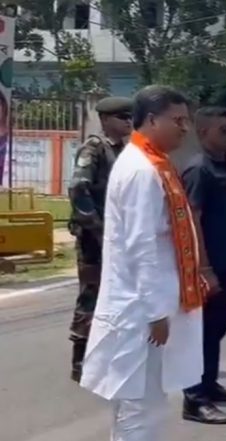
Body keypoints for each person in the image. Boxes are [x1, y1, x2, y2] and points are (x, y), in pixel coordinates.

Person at [79, 85, 204, 441]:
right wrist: (155, 313)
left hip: (145, 307)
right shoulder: (141, 170)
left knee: (139, 404)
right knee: (140, 406)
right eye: (177, 120)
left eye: (187, 121)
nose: (184, 128)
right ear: (151, 119)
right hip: (139, 313)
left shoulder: (152, 163)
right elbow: (141, 245)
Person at [181, 107, 226, 425]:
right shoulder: (199, 170)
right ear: (203, 132)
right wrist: (204, 269)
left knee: (218, 328)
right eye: (224, 130)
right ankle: (194, 400)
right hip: (209, 267)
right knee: (202, 332)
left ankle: (209, 384)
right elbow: (192, 221)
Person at [67, 96, 133, 382]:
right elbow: (78, 189)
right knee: (91, 294)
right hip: (95, 237)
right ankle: (80, 360)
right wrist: (96, 226)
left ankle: (104, 353)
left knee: (114, 296)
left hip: (116, 236)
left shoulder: (124, 151)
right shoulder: (94, 148)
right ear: (106, 120)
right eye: (122, 117)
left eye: (130, 117)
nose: (128, 122)